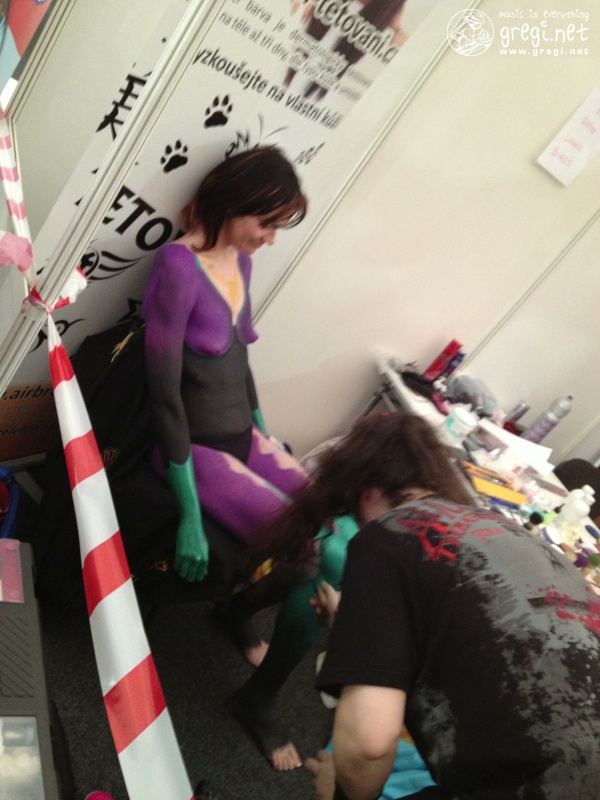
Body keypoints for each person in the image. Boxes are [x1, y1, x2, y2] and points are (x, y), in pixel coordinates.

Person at [298, 412, 600, 799]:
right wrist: (354, 629)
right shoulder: (505, 529)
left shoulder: (387, 536)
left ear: (365, 490)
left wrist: (340, 790)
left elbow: (368, 745)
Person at [142, 146, 309, 665]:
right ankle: (236, 614)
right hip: (192, 446)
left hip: (241, 434)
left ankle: (236, 607)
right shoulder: (178, 267)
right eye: (267, 223)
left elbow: (239, 359)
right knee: (304, 549)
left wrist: (264, 432)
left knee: (326, 512)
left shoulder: (242, 262)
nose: (271, 238)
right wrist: (189, 513)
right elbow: (164, 395)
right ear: (234, 204)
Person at [229, 411, 470, 771]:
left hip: (348, 531)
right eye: (396, 502)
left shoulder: (422, 498)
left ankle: (236, 614)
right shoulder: (346, 484)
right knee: (331, 562)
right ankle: (256, 695)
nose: (404, 513)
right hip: (323, 524)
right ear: (368, 490)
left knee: (330, 562)